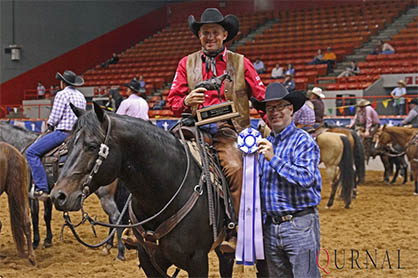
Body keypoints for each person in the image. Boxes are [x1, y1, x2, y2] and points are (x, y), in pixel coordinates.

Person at [167, 7, 266, 255]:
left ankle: (235, 231)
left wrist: (277, 124)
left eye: (214, 32)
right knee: (154, 157)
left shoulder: (241, 63)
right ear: (199, 36)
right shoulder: (185, 63)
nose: (209, 37)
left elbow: (261, 98)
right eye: (204, 33)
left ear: (224, 35)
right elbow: (173, 103)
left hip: (227, 130)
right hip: (191, 128)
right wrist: (187, 100)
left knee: (236, 168)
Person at [255, 82, 322, 278]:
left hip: (299, 224)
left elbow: (307, 178)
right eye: (269, 108)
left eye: (279, 107)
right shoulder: (266, 144)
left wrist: (273, 159)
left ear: (290, 109)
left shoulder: (303, 140)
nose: (274, 112)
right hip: (271, 227)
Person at [26, 70, 87, 201]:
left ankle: (41, 188)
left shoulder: (62, 94)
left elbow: (55, 116)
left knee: (31, 152)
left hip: (62, 133)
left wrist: (50, 123)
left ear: (63, 83)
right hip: (78, 134)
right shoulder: (81, 96)